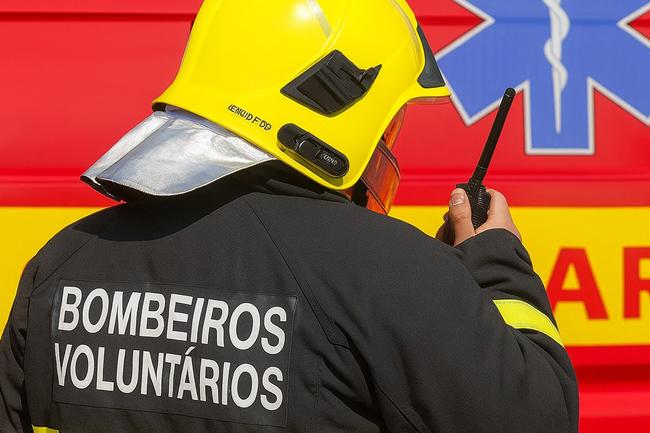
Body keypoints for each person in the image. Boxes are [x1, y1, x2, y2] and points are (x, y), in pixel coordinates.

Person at [0, 1, 578, 432]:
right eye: (387, 124)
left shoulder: (60, 266)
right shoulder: (391, 272)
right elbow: (537, 418)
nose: (387, 145)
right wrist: (497, 264)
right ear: (338, 101)